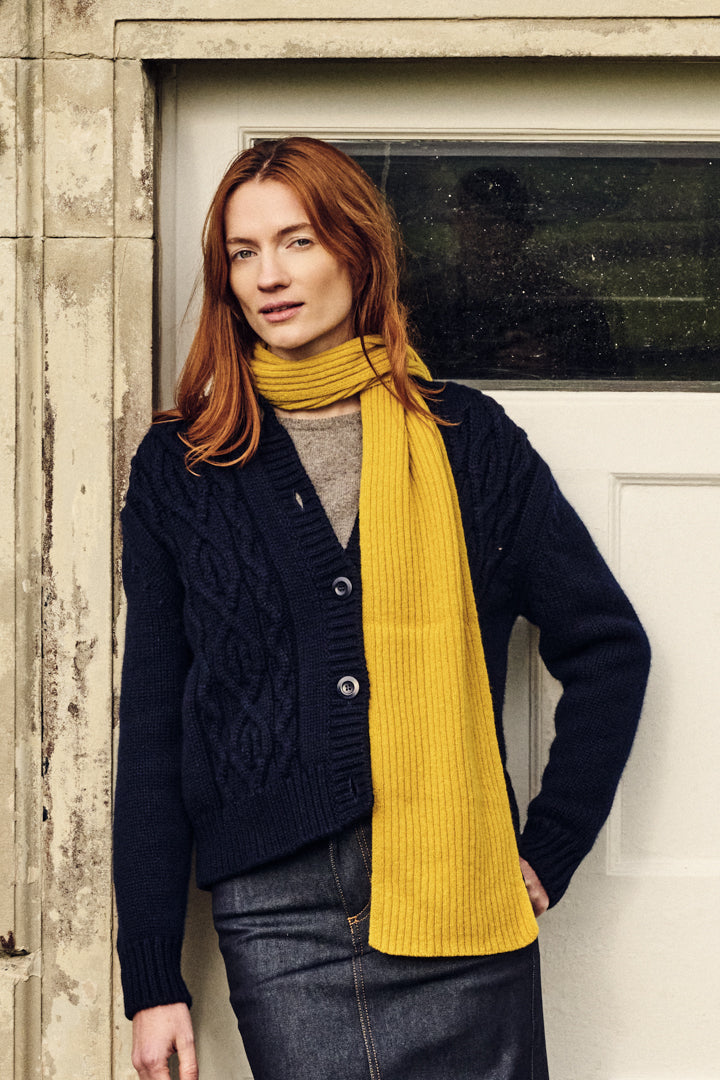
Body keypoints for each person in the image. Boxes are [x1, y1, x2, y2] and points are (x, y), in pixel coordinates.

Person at [114, 136, 651, 1080]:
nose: (269, 277)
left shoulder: (468, 441)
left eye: (299, 241)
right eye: (243, 254)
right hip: (282, 914)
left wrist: (551, 846)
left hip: (462, 889)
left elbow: (608, 647)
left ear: (357, 252)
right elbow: (155, 729)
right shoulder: (185, 468)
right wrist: (153, 975)